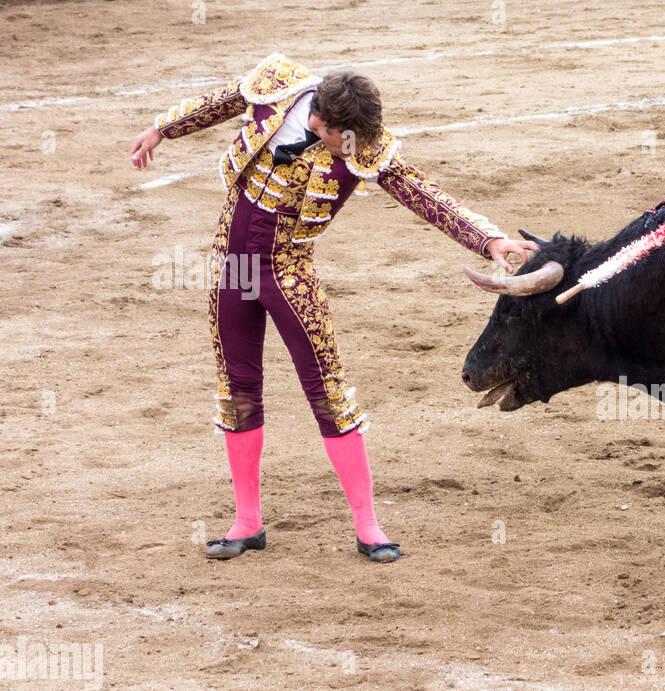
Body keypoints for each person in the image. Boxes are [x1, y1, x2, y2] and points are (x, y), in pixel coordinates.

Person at [130, 53, 536, 563]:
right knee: (238, 387)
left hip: (288, 271)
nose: (351, 151)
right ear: (319, 120)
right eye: (341, 139)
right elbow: (224, 100)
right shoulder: (277, 88)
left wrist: (489, 239)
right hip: (230, 266)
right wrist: (161, 129)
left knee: (327, 389)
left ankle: (368, 527)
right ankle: (247, 522)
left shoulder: (360, 144)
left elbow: (419, 190)